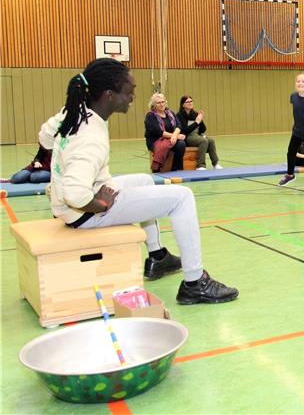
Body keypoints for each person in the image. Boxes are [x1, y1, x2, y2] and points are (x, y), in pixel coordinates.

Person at [41, 58, 237, 304]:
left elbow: (45, 136)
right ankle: (195, 282)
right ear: (109, 95)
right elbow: (75, 194)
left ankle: (157, 257)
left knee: (145, 180)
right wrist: (100, 205)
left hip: (72, 206)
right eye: (129, 91)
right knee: (183, 198)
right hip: (84, 213)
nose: (132, 97)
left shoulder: (74, 112)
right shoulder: (91, 135)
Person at [177, 95, 222, 171]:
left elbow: (203, 130)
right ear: (183, 105)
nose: (190, 103)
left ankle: (215, 163)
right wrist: (197, 122)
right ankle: (201, 165)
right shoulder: (180, 115)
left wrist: (201, 121)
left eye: (191, 101)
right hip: (187, 137)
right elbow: (184, 130)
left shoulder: (195, 114)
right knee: (203, 141)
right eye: (187, 102)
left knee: (211, 141)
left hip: (197, 135)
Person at [145, 93, 186, 172]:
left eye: (163, 102)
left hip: (171, 139)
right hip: (156, 140)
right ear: (153, 105)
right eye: (158, 103)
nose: (161, 104)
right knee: (163, 146)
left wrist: (174, 135)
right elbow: (158, 132)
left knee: (181, 144)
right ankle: (157, 169)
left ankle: (177, 168)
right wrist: (174, 136)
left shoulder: (170, 113)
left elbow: (179, 125)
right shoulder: (150, 116)